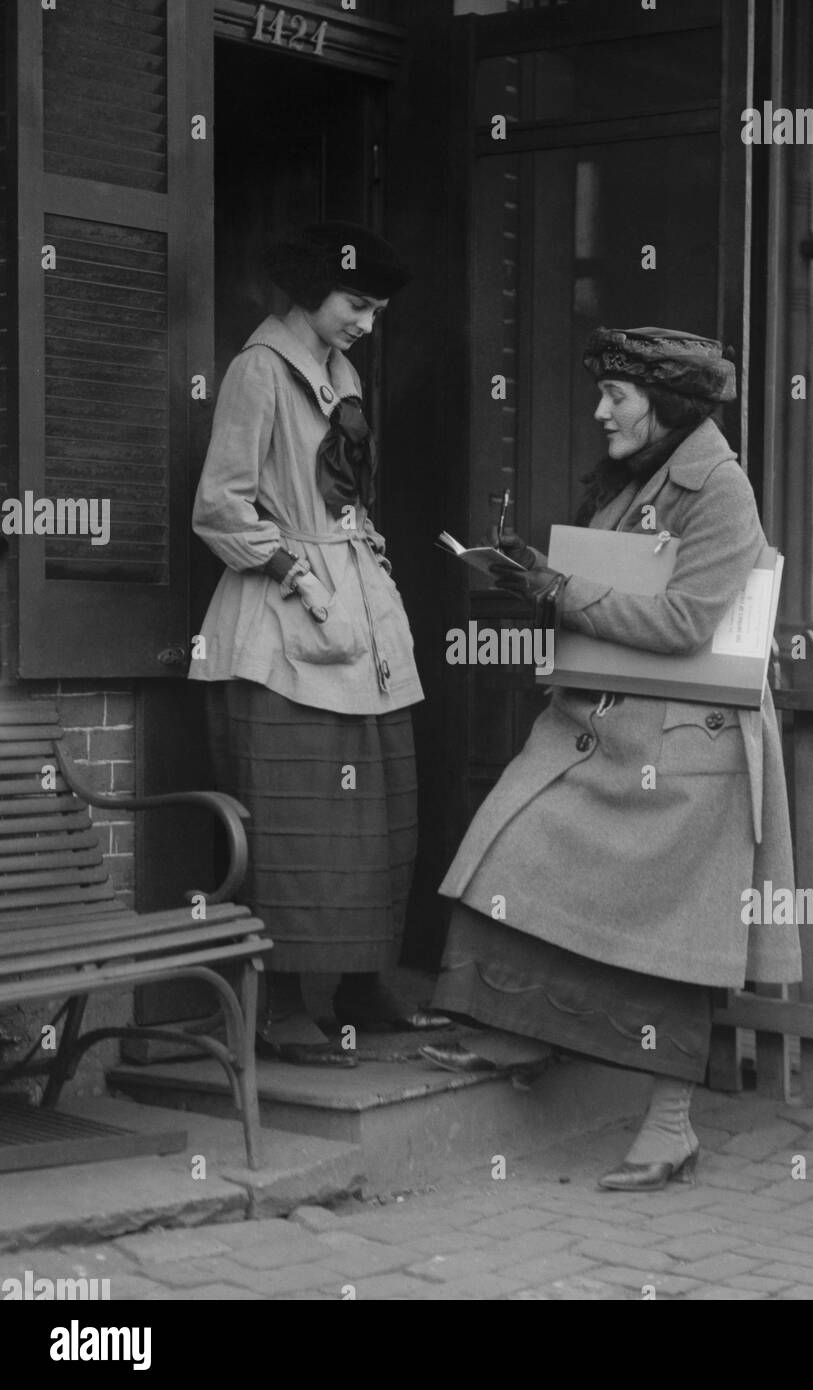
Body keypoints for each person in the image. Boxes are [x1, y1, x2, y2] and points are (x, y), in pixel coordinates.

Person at [421, 326, 801, 1190]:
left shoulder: (720, 490)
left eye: (615, 397)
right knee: (515, 847)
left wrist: (558, 589)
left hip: (690, 748)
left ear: (663, 405)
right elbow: (616, 587)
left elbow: (680, 622)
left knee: (676, 941)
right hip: (616, 728)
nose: (599, 412)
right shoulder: (642, 476)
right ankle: (515, 1032)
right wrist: (536, 578)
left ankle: (670, 1129)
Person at [190, 221, 448, 1064]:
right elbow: (221, 506)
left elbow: (345, 499)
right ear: (312, 291)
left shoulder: (343, 373)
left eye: (375, 309)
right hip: (282, 623)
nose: (366, 322)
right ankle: (280, 1007)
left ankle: (361, 985)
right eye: (355, 304)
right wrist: (299, 578)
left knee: (376, 817)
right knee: (295, 824)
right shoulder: (257, 371)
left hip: (359, 613)